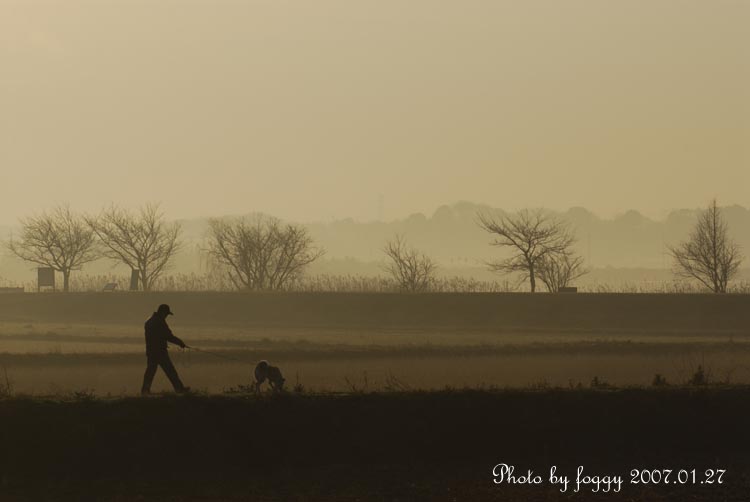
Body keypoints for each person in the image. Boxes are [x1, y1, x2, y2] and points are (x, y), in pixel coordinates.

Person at [141, 303, 189, 395]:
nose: (166, 316)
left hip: (151, 351)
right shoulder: (159, 322)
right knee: (170, 371)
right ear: (162, 312)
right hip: (160, 351)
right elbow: (168, 336)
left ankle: (145, 391)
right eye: (166, 314)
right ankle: (179, 389)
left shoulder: (149, 320)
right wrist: (180, 342)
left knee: (150, 372)